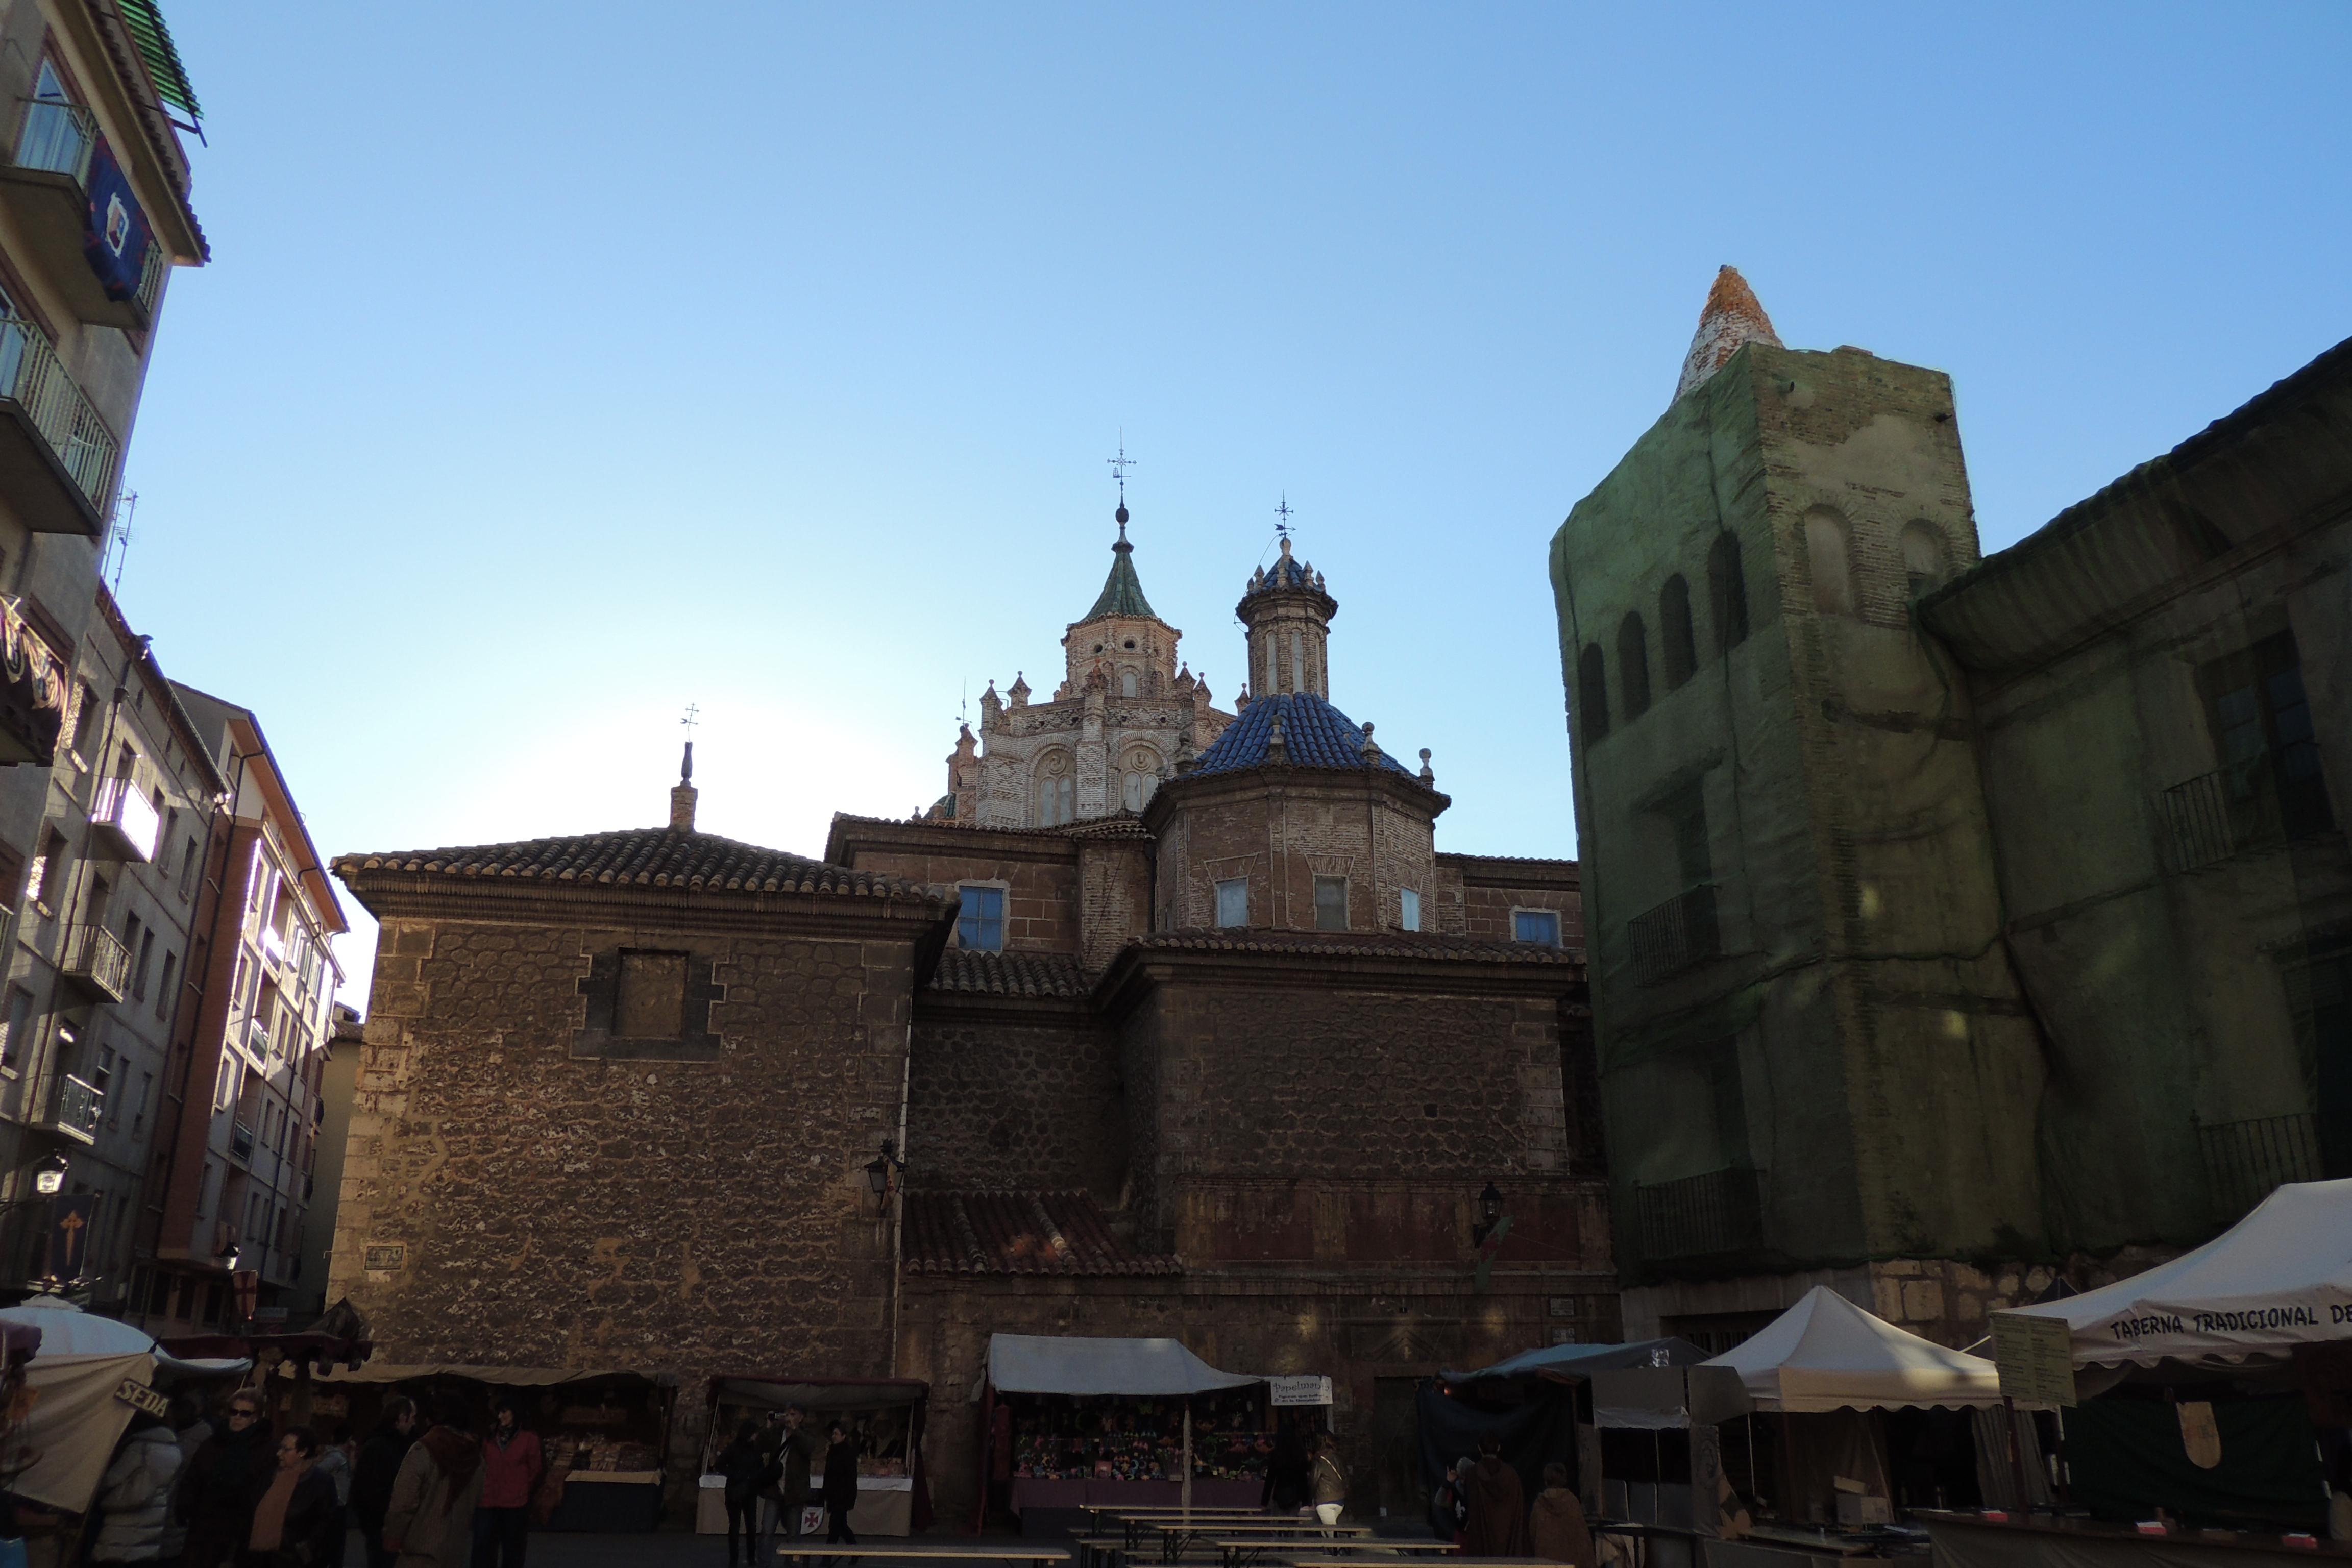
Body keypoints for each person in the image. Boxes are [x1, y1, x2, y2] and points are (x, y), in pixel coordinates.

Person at [382, 1398, 483, 1568]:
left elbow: (403, 1503)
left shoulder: (423, 1451)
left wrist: (392, 1537)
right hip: (454, 1552)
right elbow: (477, 1499)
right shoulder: (477, 1460)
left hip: (419, 1551)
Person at [178, 1389, 273, 1568]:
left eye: (245, 1413)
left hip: (239, 1530)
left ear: (256, 1418)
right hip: (203, 1525)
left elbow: (261, 1491)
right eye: (234, 1412)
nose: (237, 1417)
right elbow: (194, 1476)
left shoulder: (265, 1450)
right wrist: (185, 1505)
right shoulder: (213, 1443)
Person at [248, 1425, 346, 1568]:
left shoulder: (321, 1482)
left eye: (286, 1449)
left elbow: (326, 1523)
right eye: (280, 1448)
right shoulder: (270, 1476)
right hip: (262, 1557)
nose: (279, 1453)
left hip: (294, 1559)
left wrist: (304, 1550)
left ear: (303, 1452)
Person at [92, 1413, 185, 1564]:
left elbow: (113, 1479)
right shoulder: (175, 1451)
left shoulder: (140, 1447)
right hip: (153, 1527)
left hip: (121, 1524)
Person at [471, 1401, 542, 1568]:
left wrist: (521, 1489)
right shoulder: (488, 1437)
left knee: (513, 1550)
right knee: (483, 1549)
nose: (501, 1416)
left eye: (505, 1412)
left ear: (515, 1413)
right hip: (488, 1500)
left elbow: (535, 1469)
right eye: (499, 1412)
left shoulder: (529, 1439)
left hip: (515, 1503)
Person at [349, 1400, 418, 1568]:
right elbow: (366, 1490)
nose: (415, 1422)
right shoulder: (382, 1447)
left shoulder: (390, 1444)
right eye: (413, 1417)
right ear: (402, 1418)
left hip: (386, 1524)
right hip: (383, 1525)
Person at [1463, 1436, 1529, 1559]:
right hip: (1508, 1539)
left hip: (1480, 1543)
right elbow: (1518, 1511)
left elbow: (1468, 1505)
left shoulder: (1473, 1474)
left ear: (1479, 1449)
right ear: (1498, 1448)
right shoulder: (1511, 1475)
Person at [716, 1422, 765, 1568]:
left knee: (750, 1526)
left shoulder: (754, 1450)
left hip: (748, 1491)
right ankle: (735, 1559)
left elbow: (760, 1467)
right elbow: (719, 1465)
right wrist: (736, 1475)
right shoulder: (734, 1449)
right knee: (737, 1526)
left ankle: (749, 1558)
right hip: (736, 1491)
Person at [1528, 1462, 1593, 1567]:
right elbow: (1583, 1539)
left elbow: (1532, 1534)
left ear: (1546, 1481)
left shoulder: (1539, 1504)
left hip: (1545, 1561)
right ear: (1564, 1480)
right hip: (1571, 1563)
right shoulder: (1572, 1502)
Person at [771, 1407, 817, 1549]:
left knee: (793, 1533)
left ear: (801, 1418)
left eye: (793, 1415)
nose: (789, 1418)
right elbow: (761, 1445)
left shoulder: (805, 1434)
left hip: (795, 1491)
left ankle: (792, 1564)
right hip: (775, 1489)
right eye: (787, 1414)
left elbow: (808, 1448)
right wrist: (769, 1425)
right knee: (767, 1530)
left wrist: (796, 1430)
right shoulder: (777, 1433)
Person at [820, 1421, 859, 1548]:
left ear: (843, 1436)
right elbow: (828, 1474)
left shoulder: (848, 1453)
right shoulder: (832, 1452)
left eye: (836, 1434)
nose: (833, 1436)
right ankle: (855, 1550)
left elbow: (851, 1477)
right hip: (833, 1495)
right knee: (842, 1526)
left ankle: (827, 1557)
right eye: (833, 1434)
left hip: (842, 1496)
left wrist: (847, 1495)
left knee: (835, 1527)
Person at [1260, 1422, 1308, 1514]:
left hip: (1280, 1495)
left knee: (1280, 1525)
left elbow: (1270, 1479)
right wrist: (1306, 1500)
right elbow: (1303, 1479)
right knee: (1294, 1524)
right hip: (1295, 1494)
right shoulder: (1299, 1453)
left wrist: (1264, 1502)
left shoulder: (1276, 1454)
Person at [313, 1424, 355, 1511]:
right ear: (349, 1440)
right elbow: (318, 1470)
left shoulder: (339, 1456)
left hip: (336, 1502)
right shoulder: (337, 1457)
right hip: (334, 1503)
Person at [1309, 1436, 1346, 1531]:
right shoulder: (1339, 1458)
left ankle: (1335, 1545)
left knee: (1330, 1534)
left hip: (1324, 1499)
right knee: (1330, 1531)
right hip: (1340, 1499)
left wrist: (1309, 1499)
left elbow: (1314, 1481)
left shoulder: (1319, 1460)